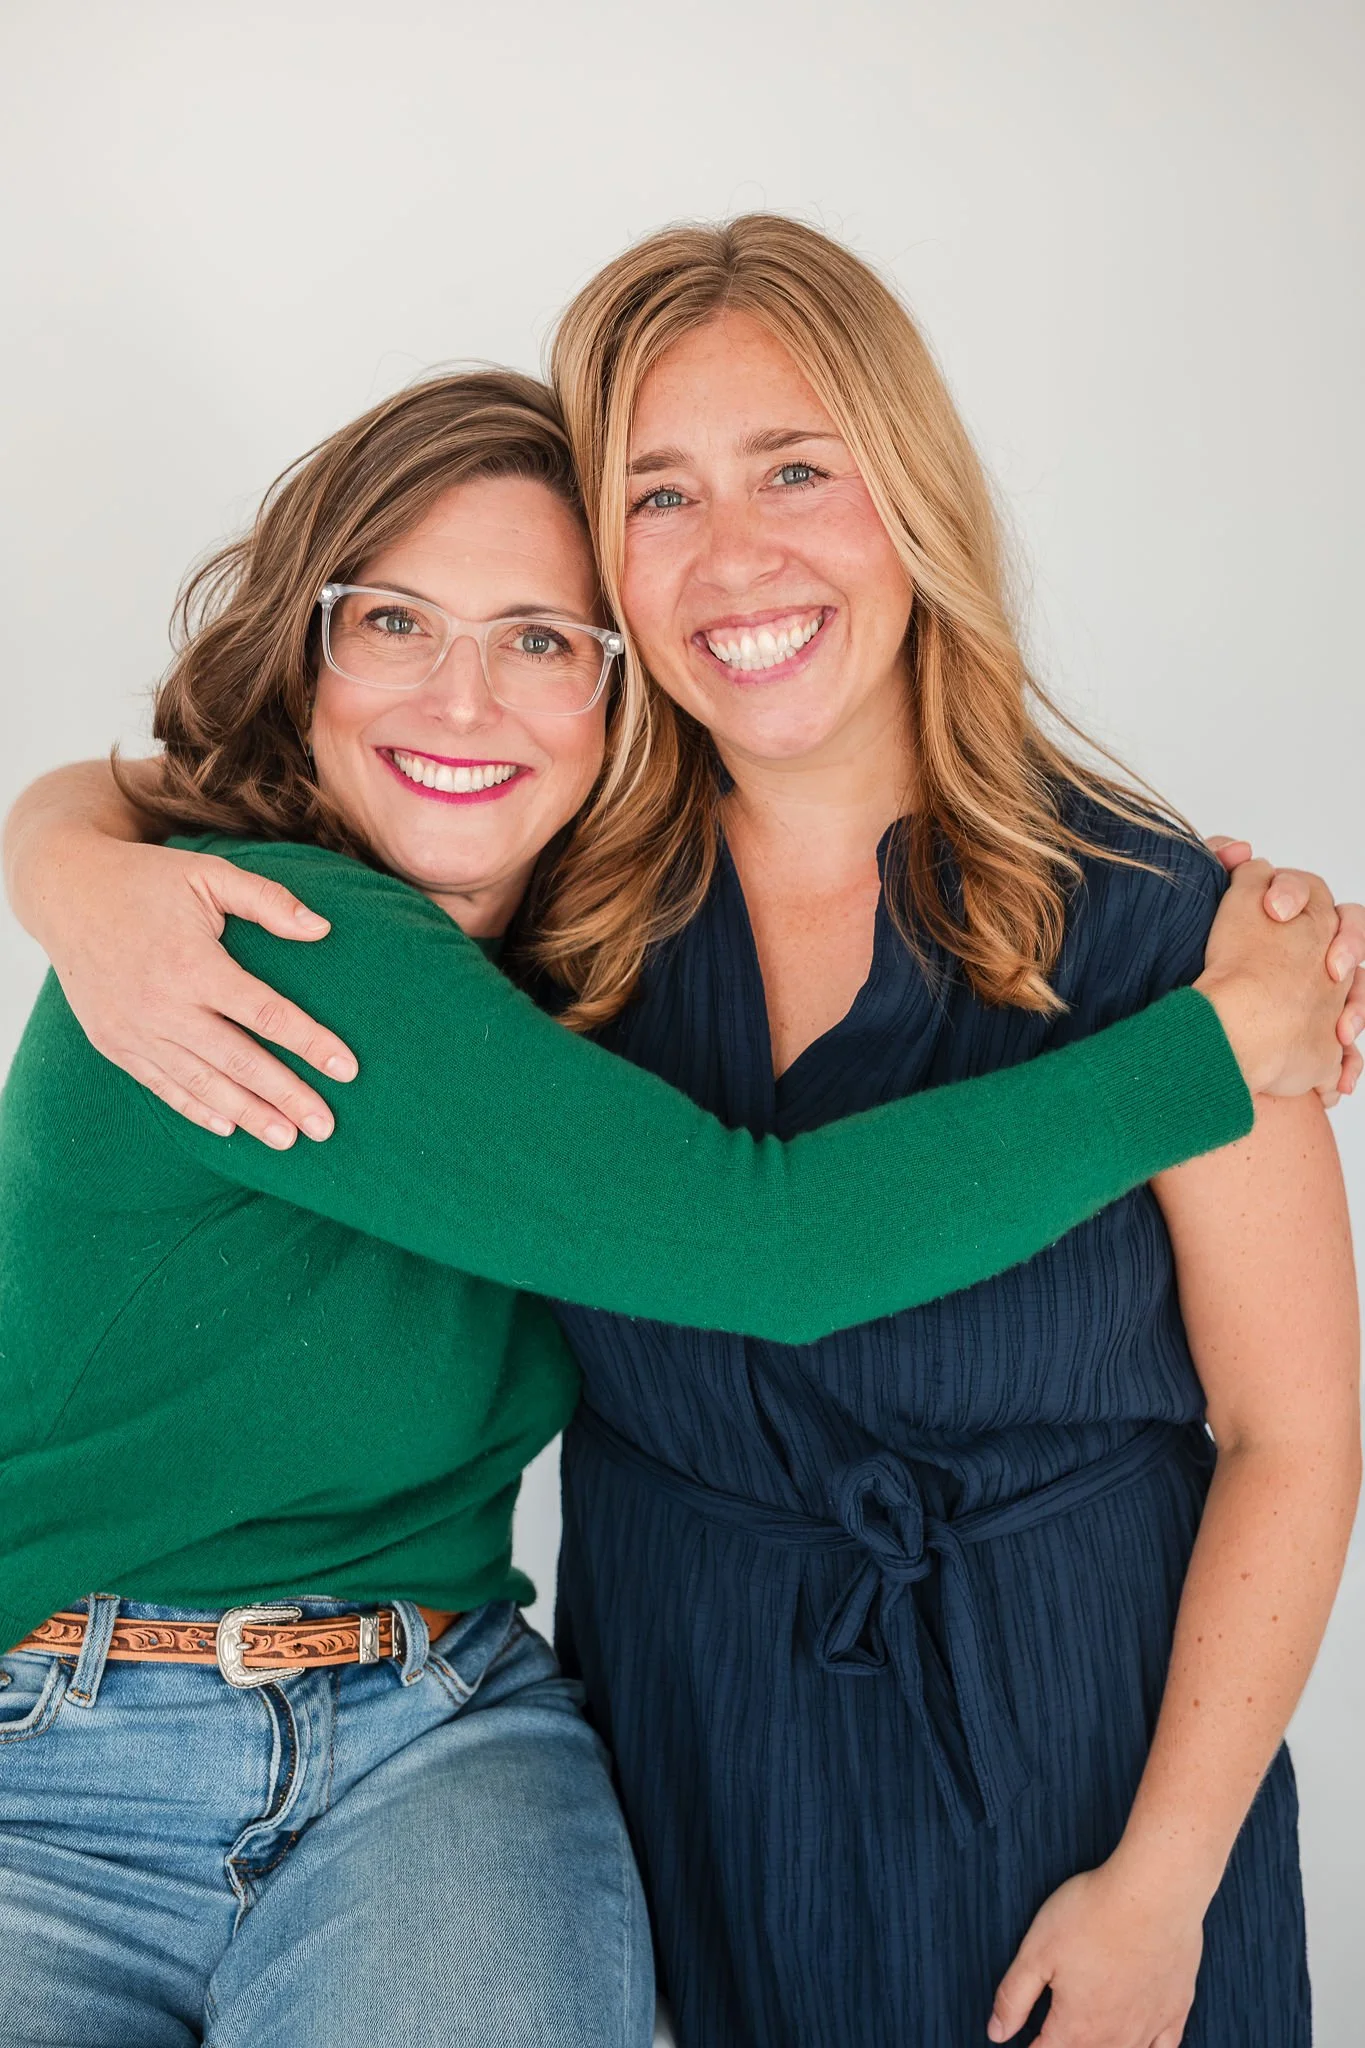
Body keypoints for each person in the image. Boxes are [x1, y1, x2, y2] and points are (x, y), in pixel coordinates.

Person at [4, 228, 1362, 2048]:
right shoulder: (477, 931)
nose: (738, 557)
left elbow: (1298, 1427)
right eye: (659, 498)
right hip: (678, 1761)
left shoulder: (1132, 926)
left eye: (798, 468)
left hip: (1059, 1754)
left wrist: (1169, 1877)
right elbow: (761, 1242)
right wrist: (62, 854)